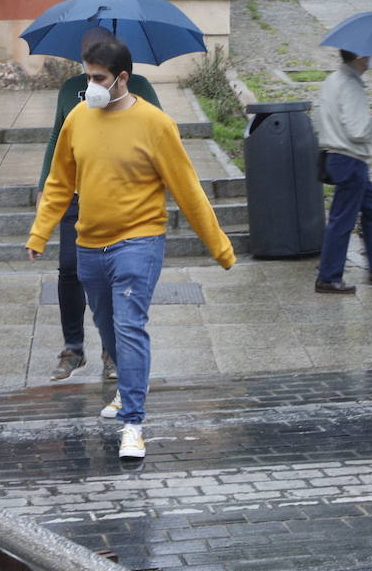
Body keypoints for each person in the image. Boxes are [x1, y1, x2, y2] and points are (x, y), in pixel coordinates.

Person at [26, 37, 235, 461]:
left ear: (123, 78)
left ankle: (134, 424)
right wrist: (40, 232)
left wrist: (220, 247)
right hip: (89, 243)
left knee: (129, 326)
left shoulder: (156, 124)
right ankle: (125, 393)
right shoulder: (78, 119)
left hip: (139, 240)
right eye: (87, 77)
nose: (90, 86)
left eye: (98, 78)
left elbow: (188, 189)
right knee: (107, 326)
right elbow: (60, 182)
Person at [38, 26, 162, 382]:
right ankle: (73, 348)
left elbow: (159, 135)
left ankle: (112, 350)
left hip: (121, 202)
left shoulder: (140, 89)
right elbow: (56, 139)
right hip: (75, 197)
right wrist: (45, 186)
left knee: (111, 276)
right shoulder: (69, 91)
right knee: (69, 270)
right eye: (85, 55)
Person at [314, 50, 372, 295]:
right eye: (370, 55)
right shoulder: (351, 86)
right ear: (361, 57)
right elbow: (359, 131)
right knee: (343, 219)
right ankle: (328, 277)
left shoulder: (333, 80)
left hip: (338, 156)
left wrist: (367, 119)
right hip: (350, 159)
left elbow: (324, 119)